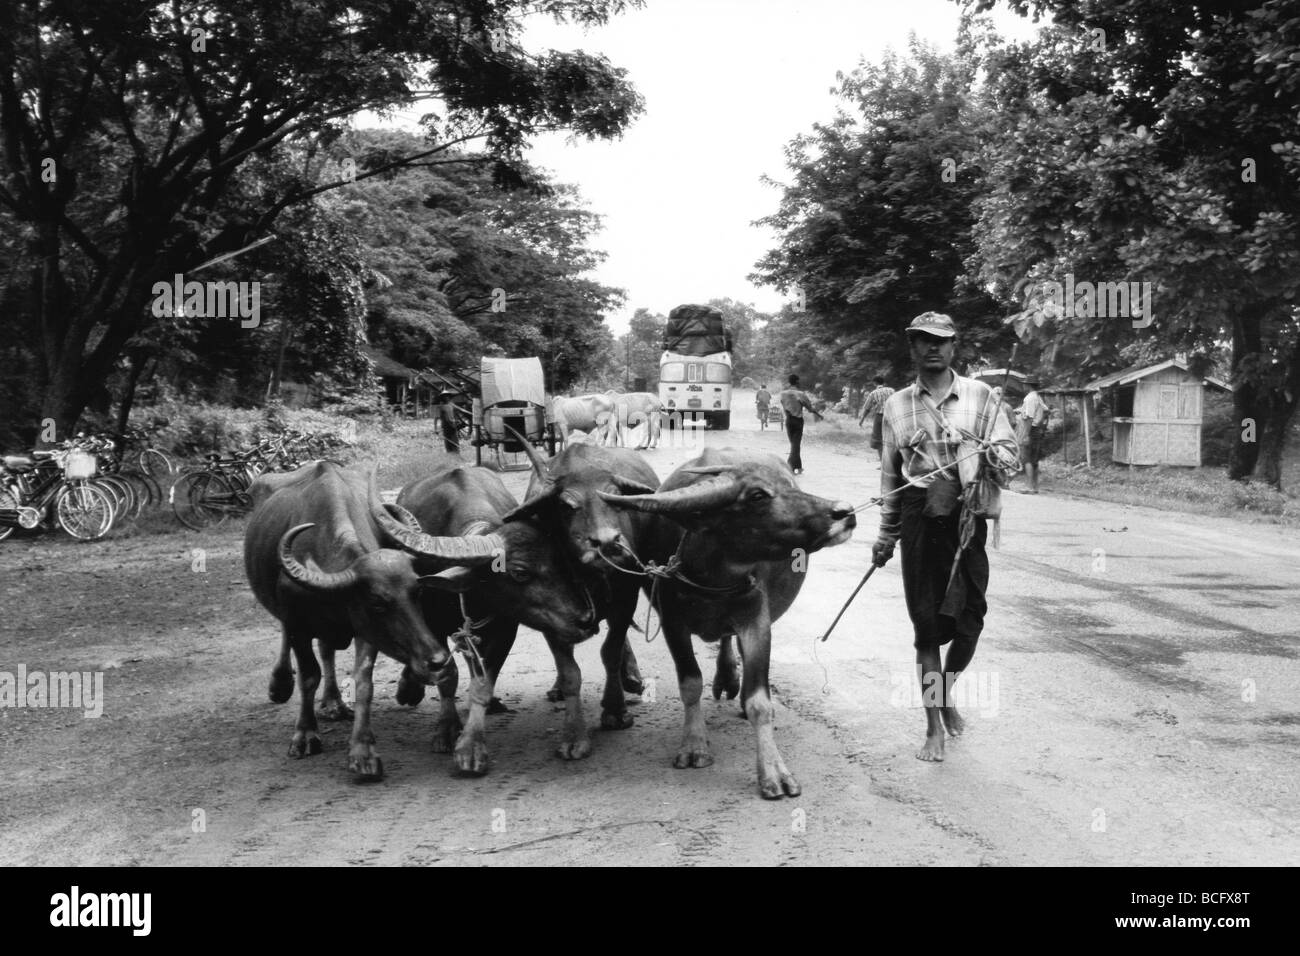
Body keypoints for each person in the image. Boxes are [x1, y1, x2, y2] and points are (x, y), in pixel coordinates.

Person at [870, 312, 1018, 762]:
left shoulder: (983, 397)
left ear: (954, 347)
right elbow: (889, 478)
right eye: (923, 341)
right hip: (920, 516)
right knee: (927, 630)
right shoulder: (894, 406)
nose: (933, 348)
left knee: (970, 622)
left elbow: (1010, 458)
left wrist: (987, 450)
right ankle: (932, 725)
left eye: (942, 341)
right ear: (912, 347)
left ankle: (945, 690)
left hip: (967, 514)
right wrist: (886, 535)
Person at [778, 374, 823, 474]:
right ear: (797, 381)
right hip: (797, 421)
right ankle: (790, 466)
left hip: (788, 421)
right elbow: (810, 408)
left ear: (789, 382)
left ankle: (798, 467)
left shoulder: (783, 394)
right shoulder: (800, 394)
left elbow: (783, 405)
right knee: (795, 445)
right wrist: (819, 415)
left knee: (794, 444)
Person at [1016, 379, 1050, 494]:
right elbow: (1046, 410)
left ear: (1028, 385)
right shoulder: (1038, 397)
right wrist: (1040, 421)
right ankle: (1035, 487)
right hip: (1037, 430)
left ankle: (1029, 487)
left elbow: (1029, 418)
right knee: (1034, 459)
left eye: (1024, 384)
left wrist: (1025, 434)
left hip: (1030, 429)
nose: (1023, 386)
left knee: (1027, 459)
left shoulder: (1029, 398)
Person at [857, 375, 895, 463]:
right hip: (892, 416)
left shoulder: (874, 393)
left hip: (880, 417)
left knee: (879, 439)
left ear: (875, 383)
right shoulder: (891, 390)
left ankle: (883, 463)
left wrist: (862, 420)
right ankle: (892, 462)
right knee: (891, 438)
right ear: (884, 382)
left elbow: (867, 408)